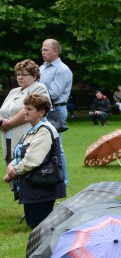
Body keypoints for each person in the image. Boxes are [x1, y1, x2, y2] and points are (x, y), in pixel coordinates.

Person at [3, 94, 65, 228]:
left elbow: (32, 160)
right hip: (32, 187)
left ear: (41, 112)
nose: (25, 111)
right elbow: (19, 153)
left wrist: (13, 173)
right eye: (25, 108)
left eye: (29, 109)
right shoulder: (32, 131)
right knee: (33, 224)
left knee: (40, 227)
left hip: (42, 188)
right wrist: (11, 165)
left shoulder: (45, 131)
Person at [0, 60, 49, 164]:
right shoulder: (14, 91)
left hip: (28, 137)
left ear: (34, 76)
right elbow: (3, 111)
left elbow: (29, 110)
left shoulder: (39, 88)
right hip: (7, 137)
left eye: (24, 74)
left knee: (25, 170)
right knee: (11, 170)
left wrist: (9, 123)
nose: (20, 77)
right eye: (18, 74)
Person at [39, 38, 72, 186]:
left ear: (56, 51)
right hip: (42, 109)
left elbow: (54, 93)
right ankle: (47, 176)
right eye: (42, 49)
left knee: (57, 146)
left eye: (46, 49)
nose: (42, 52)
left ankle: (62, 182)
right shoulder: (42, 68)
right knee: (41, 144)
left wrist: (34, 95)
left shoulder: (62, 70)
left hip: (56, 110)